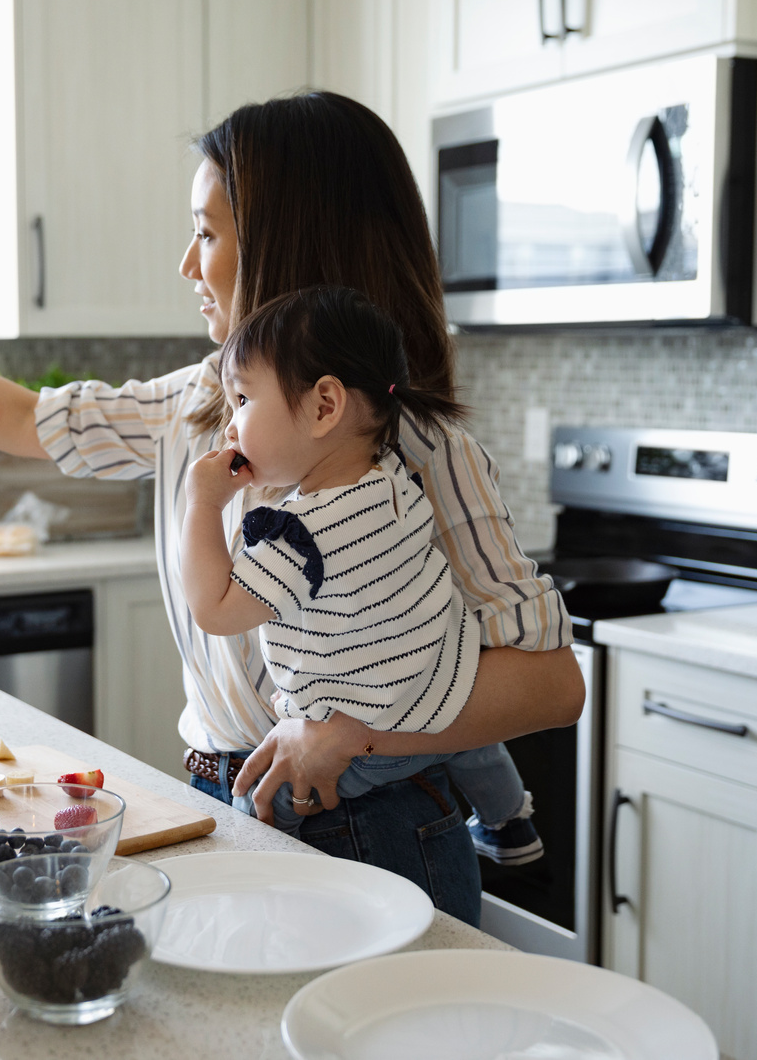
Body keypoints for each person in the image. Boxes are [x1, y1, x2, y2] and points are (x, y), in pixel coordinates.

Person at [0, 91, 582, 923]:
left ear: (287, 246)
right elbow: (20, 418)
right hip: (229, 804)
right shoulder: (195, 406)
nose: (185, 262)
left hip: (378, 826)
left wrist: (353, 731)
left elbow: (552, 685)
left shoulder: (422, 448)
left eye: (206, 233)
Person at [180, 284, 538, 861]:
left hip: (368, 745)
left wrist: (201, 504)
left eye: (242, 400)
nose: (230, 428)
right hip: (440, 691)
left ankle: (272, 869)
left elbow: (215, 610)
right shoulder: (396, 478)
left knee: (260, 797)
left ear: (325, 406)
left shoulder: (300, 535)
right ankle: (508, 820)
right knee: (469, 739)